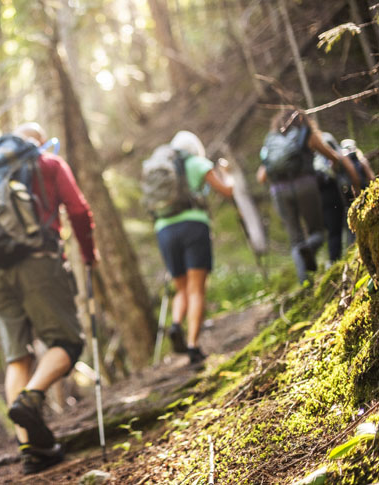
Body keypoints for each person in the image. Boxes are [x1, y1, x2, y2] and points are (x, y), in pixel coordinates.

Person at [0, 122, 96, 474]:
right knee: (68, 342)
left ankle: (31, 449)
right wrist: (89, 255)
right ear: (41, 143)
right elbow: (78, 210)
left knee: (18, 357)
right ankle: (32, 399)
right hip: (40, 263)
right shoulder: (49, 164)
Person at [149, 131, 234, 365]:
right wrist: (226, 174)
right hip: (193, 226)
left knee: (181, 288)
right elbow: (226, 191)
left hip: (164, 229)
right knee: (197, 288)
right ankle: (193, 346)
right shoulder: (198, 163)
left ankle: (176, 324)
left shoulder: (164, 167)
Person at [256, 110, 361, 284]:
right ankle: (308, 248)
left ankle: (305, 284)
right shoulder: (306, 133)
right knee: (317, 232)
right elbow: (333, 156)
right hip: (306, 184)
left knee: (295, 239)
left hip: (279, 191)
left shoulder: (271, 141)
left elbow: (261, 177)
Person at [312, 132, 347, 263]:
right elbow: (338, 158)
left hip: (310, 190)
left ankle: (329, 259)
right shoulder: (325, 138)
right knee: (335, 228)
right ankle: (335, 261)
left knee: (324, 229)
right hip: (328, 187)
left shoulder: (300, 144)